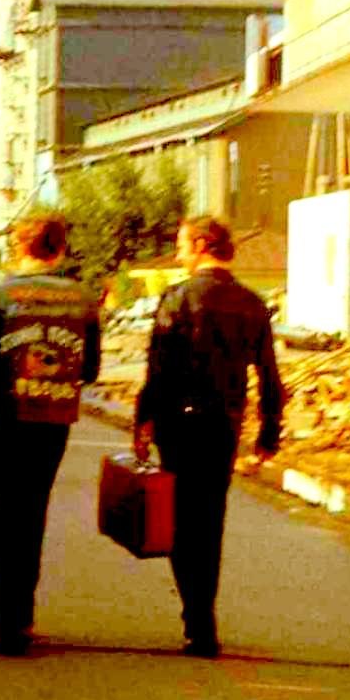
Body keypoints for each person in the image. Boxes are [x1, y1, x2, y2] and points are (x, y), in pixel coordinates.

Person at [133, 215, 286, 659]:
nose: (178, 254)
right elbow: (270, 376)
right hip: (224, 425)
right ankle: (203, 619)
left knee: (180, 524)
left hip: (178, 426)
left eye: (181, 245)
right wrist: (268, 433)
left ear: (201, 245)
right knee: (210, 521)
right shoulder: (252, 303)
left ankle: (195, 617)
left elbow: (157, 369)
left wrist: (143, 422)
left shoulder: (177, 298)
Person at [0, 213, 100, 656]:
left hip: (4, 418)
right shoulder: (83, 299)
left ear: (20, 248)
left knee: (3, 513)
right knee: (32, 513)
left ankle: (9, 619)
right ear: (60, 248)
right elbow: (91, 368)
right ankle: (22, 618)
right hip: (53, 419)